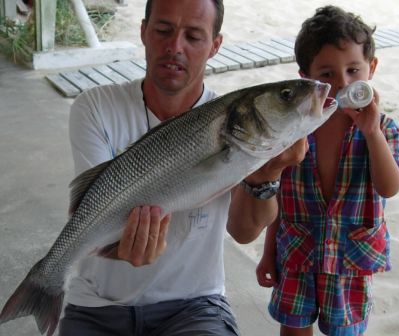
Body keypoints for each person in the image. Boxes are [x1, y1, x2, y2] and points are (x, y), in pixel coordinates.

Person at [61, 0, 307, 335]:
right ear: (144, 31)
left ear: (215, 46)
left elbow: (245, 231)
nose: (175, 47)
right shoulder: (96, 107)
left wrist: (266, 176)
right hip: (97, 304)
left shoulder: (238, 126)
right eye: (163, 30)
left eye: (193, 36)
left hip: (195, 306)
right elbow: (90, 210)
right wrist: (120, 250)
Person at [255, 5, 399, 336]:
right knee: (294, 330)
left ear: (371, 68)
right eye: (327, 74)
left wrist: (371, 134)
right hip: (297, 254)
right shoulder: (295, 132)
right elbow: (281, 201)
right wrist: (268, 254)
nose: (342, 83)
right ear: (306, 79)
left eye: (353, 70)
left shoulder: (385, 130)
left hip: (350, 262)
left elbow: (389, 187)